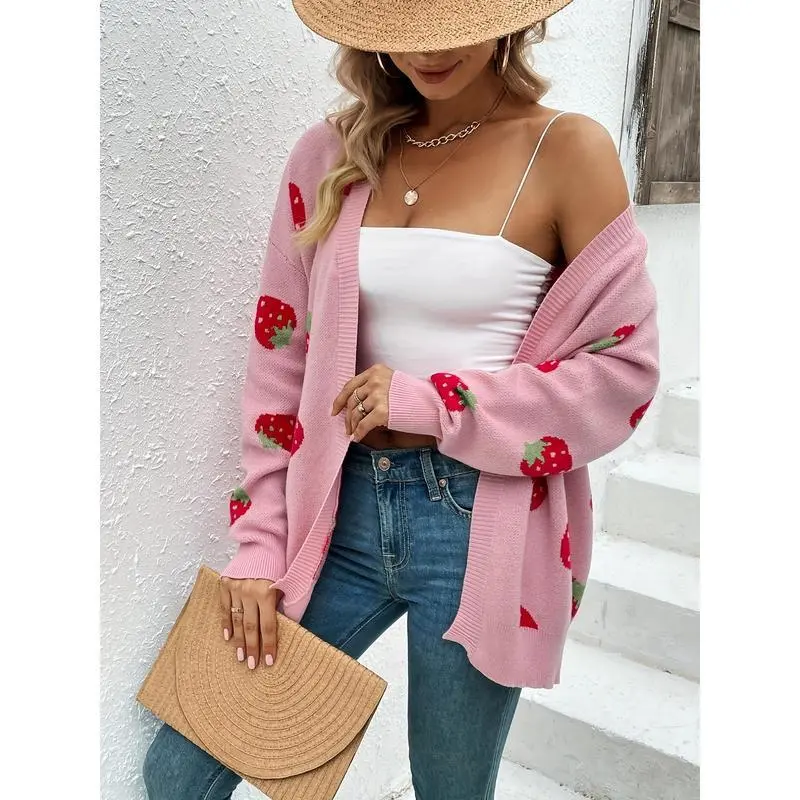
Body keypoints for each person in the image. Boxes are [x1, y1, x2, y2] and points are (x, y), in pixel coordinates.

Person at [142, 0, 660, 798]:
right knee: (178, 770)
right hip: (336, 511)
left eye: (455, 22)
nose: (430, 51)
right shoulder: (329, 155)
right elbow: (281, 363)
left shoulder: (566, 152)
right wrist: (261, 545)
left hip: (478, 521)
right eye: (408, 26)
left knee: (448, 790)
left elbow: (622, 372)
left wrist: (436, 403)